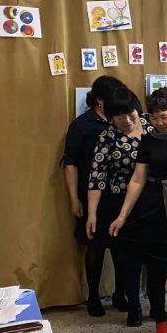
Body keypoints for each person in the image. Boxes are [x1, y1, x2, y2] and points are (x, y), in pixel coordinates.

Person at [107, 89, 167, 333]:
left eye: (164, 116)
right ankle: (160, 322)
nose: (159, 122)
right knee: (157, 269)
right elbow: (138, 179)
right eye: (154, 118)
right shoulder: (148, 140)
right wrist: (122, 215)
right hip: (153, 206)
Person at [60, 75, 126, 316]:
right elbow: (70, 163)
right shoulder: (82, 125)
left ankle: (120, 293)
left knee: (122, 248)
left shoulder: (122, 121)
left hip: (120, 195)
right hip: (91, 195)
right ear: (99, 100)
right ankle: (94, 298)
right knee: (94, 246)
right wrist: (74, 199)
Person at [86, 86, 150, 324]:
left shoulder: (152, 126)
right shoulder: (108, 136)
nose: (127, 120)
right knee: (117, 252)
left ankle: (131, 298)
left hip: (149, 200)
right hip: (116, 200)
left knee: (144, 254)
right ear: (111, 117)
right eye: (119, 116)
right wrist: (92, 213)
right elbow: (97, 177)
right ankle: (101, 298)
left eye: (130, 114)